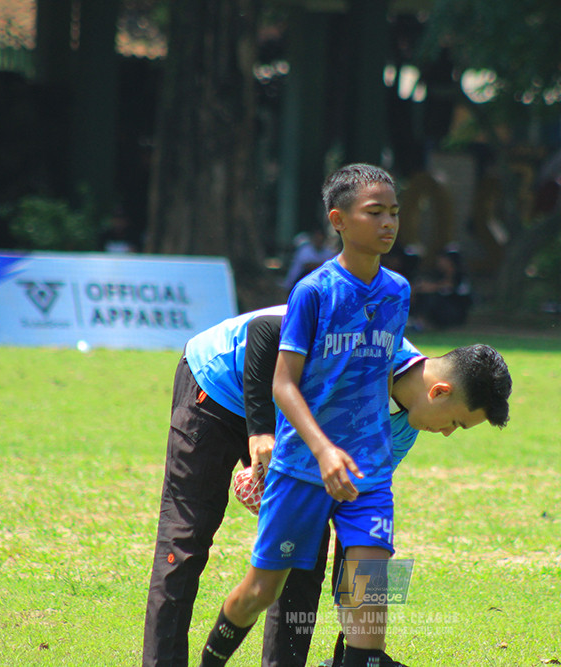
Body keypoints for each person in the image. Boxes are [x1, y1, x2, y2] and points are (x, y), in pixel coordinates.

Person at [140, 303, 512, 667]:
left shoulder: (401, 430)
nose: (447, 433)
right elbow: (265, 332)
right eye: (456, 423)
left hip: (289, 420)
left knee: (306, 551)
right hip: (222, 384)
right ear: (440, 392)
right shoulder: (366, 342)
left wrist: (358, 650)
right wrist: (260, 432)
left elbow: (358, 522)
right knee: (185, 541)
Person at [197, 163, 409, 667]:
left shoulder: (398, 290)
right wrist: (323, 448)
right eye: (374, 212)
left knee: (369, 600)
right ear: (338, 219)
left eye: (394, 213)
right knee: (260, 591)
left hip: (368, 472)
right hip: (302, 468)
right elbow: (283, 384)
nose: (389, 223)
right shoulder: (313, 291)